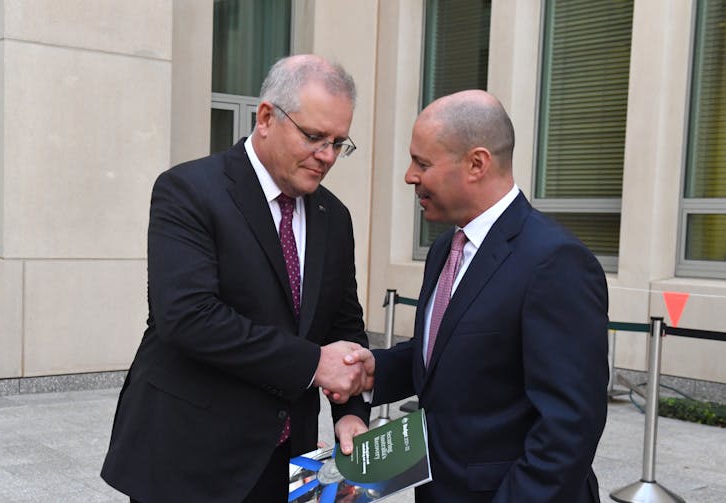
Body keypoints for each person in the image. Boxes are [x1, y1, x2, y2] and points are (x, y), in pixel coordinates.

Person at [101, 54, 374, 503]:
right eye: (314, 137)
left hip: (289, 459)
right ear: (266, 117)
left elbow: (344, 324)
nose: (327, 156)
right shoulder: (188, 190)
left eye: (339, 142)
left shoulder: (334, 216)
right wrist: (310, 363)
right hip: (190, 459)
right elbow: (189, 317)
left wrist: (351, 413)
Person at [338, 90, 608, 502]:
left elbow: (568, 429)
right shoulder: (447, 248)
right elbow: (446, 356)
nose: (410, 176)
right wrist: (376, 370)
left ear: (477, 164)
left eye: (422, 163)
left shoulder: (555, 262)